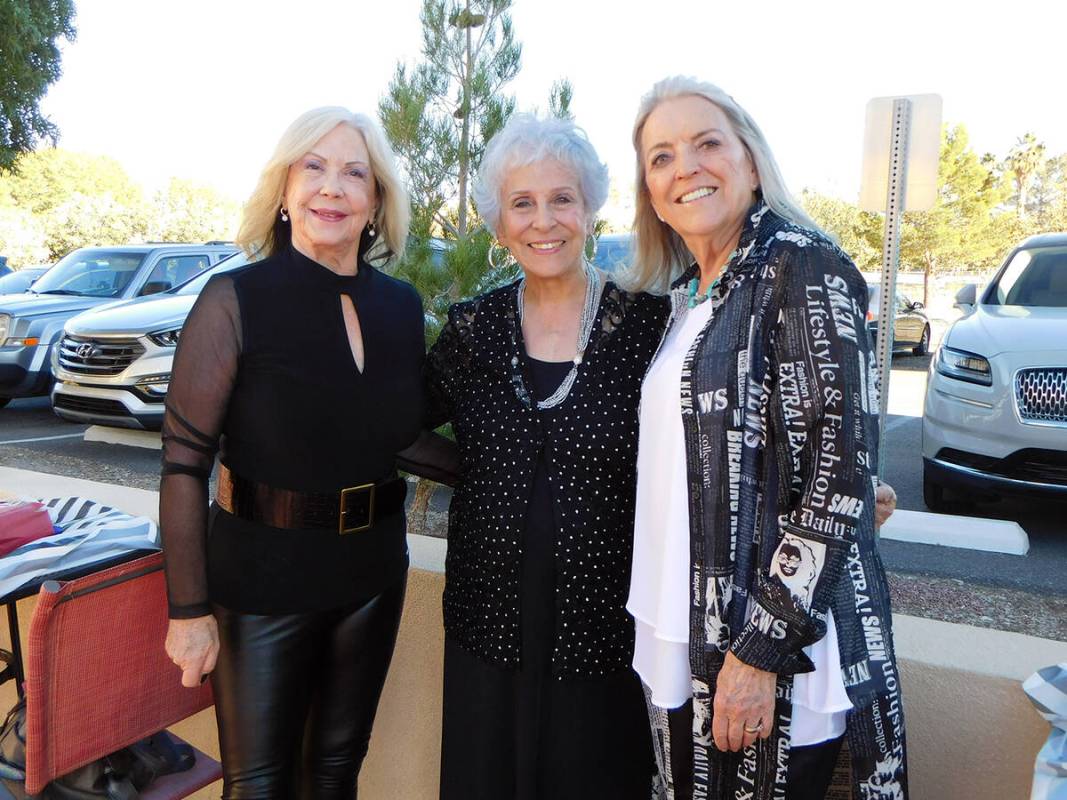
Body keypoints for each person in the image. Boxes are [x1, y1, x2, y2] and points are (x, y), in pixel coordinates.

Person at [626, 76, 908, 800]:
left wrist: (757, 656)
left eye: (706, 143)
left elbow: (837, 476)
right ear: (650, 191)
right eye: (660, 156)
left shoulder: (800, 264)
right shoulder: (695, 288)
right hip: (681, 626)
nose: (684, 166)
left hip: (767, 652)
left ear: (751, 162)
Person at [159, 107, 449, 799]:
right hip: (261, 580)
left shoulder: (399, 307)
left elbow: (398, 435)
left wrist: (517, 468)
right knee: (257, 787)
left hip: (372, 576)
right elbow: (182, 462)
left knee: (334, 775)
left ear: (375, 200)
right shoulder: (235, 299)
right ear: (284, 192)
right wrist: (188, 611)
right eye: (312, 167)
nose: (333, 187)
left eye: (355, 172)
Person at [423, 114, 665, 799]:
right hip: (486, 620)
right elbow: (395, 418)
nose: (543, 221)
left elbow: (716, 435)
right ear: (499, 226)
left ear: (589, 209)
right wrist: (480, 472)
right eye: (521, 204)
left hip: (605, 629)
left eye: (561, 198)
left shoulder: (645, 325)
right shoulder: (475, 328)